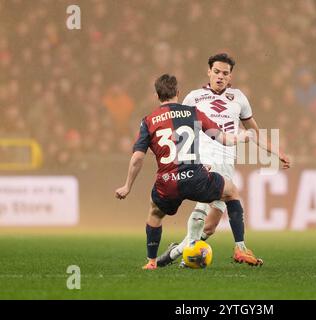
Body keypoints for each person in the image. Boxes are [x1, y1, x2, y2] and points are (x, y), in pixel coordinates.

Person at [156, 53, 290, 267]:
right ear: (208, 72)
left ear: (230, 77)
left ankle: (176, 253)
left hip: (228, 161)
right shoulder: (194, 97)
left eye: (225, 73)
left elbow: (254, 132)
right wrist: (183, 159)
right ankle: (240, 248)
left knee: (209, 228)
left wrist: (277, 152)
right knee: (208, 201)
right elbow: (181, 129)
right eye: (216, 72)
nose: (220, 77)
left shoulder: (239, 98)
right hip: (205, 158)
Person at [114, 74, 251, 270]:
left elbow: (137, 158)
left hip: (167, 182)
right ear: (178, 92)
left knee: (155, 213)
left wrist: (127, 186)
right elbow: (222, 138)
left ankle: (151, 262)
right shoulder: (192, 113)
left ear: (157, 95)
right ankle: (240, 247)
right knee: (231, 192)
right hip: (196, 177)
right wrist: (243, 136)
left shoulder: (148, 121)